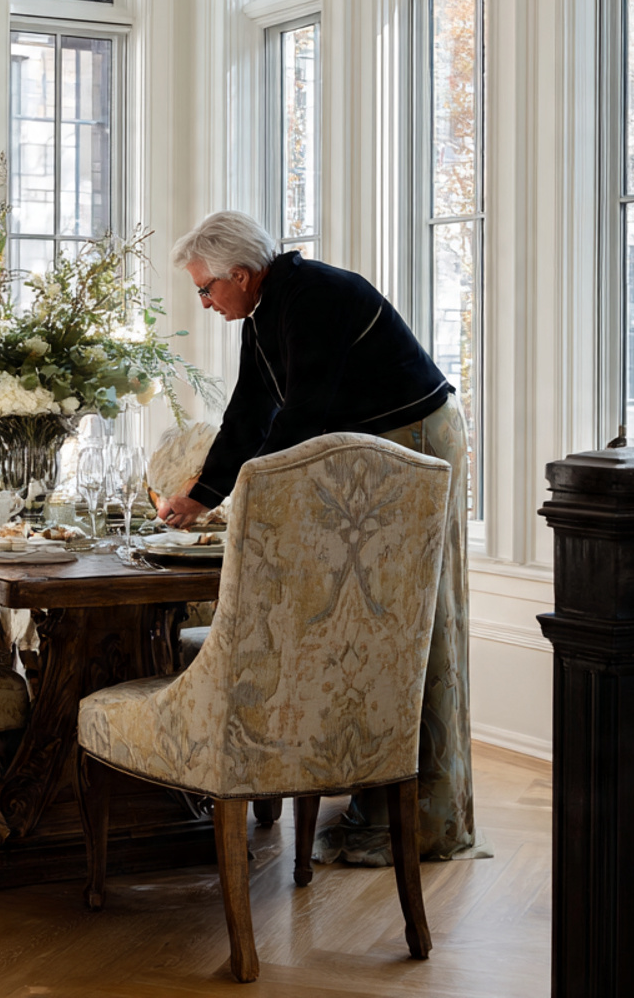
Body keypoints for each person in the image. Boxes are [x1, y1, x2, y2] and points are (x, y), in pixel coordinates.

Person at [158, 211, 488, 866]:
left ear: (241, 275)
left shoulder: (314, 296)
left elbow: (302, 415)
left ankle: (424, 820)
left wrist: (248, 495)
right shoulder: (269, 310)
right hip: (376, 452)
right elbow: (250, 413)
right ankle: (374, 793)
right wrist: (203, 495)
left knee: (408, 624)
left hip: (414, 446)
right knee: (369, 620)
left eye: (205, 288)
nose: (203, 302)